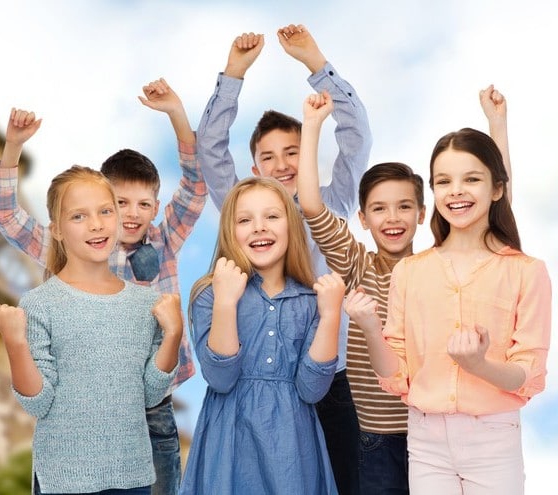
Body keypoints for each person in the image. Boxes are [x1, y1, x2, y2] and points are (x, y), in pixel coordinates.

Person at [0, 78, 205, 494]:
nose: (127, 215)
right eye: (116, 203)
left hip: (151, 405)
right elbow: (8, 216)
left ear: (156, 208)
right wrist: (12, 147)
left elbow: (194, 187)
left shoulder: (165, 239)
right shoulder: (66, 252)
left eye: (142, 205)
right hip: (77, 417)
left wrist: (176, 114)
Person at [298, 85, 511, 494]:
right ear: (362, 218)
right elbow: (310, 205)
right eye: (379, 208)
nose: (392, 218)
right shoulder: (357, 265)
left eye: (403, 207)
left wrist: (496, 127)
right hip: (374, 437)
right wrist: (312, 127)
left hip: (434, 433)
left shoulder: (440, 266)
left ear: (421, 213)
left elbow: (494, 210)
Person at [195, 23, 371, 493]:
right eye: (268, 157)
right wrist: (233, 74)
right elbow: (209, 151)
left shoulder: (331, 205)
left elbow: (356, 136)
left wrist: (316, 64)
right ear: (254, 170)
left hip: (326, 377)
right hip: (251, 380)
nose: (282, 164)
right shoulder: (246, 213)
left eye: (293, 151)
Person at [343, 127, 551, 494]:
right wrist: (371, 329)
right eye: (444, 181)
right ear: (434, 192)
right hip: (425, 440)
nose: (455, 190)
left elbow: (529, 376)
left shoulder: (526, 271)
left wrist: (479, 366)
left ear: (497, 188)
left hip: (493, 437)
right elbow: (397, 376)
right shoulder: (410, 271)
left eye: (471, 179)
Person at [0, 165, 183, 494]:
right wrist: (14, 342)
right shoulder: (39, 303)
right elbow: (38, 402)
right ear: (57, 231)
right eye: (79, 216)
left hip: (132, 478)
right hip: (63, 481)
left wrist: (173, 335)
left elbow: (150, 395)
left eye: (105, 211)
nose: (96, 224)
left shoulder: (144, 304)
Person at [180, 176, 346, 494]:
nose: (259, 227)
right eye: (245, 219)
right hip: (229, 445)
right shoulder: (211, 293)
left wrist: (330, 316)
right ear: (231, 231)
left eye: (271, 216)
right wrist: (227, 302)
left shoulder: (310, 301)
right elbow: (220, 377)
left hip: (292, 452)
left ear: (291, 226)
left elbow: (312, 389)